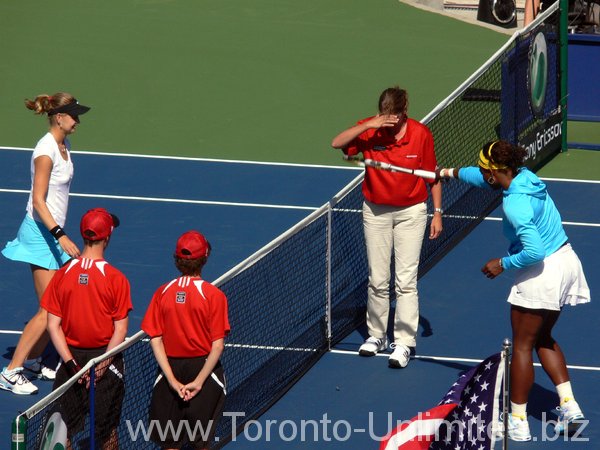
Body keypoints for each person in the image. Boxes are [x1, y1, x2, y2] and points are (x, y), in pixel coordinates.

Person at [437, 140, 590, 441]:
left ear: (495, 173)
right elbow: (477, 177)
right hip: (565, 260)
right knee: (541, 337)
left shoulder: (515, 204)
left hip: (541, 269)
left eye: (485, 171)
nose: (482, 175)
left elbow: (533, 251)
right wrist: (447, 172)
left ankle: (517, 421)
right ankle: (570, 406)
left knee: (521, 344)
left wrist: (502, 264)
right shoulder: (525, 177)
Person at [331, 86, 443, 368]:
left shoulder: (420, 134)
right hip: (376, 212)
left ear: (405, 112)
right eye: (385, 117)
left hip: (411, 213)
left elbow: (433, 176)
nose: (390, 124)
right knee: (378, 279)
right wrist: (371, 124)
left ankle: (404, 342)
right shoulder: (371, 130)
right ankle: (376, 335)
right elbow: (337, 143)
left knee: (405, 281)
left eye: (394, 117)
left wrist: (437, 213)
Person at [1, 92, 90, 395]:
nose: (78, 120)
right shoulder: (45, 150)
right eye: (74, 115)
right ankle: (11, 370)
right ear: (59, 117)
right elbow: (38, 201)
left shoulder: (64, 145)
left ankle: (39, 360)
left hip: (50, 234)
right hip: (42, 235)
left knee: (59, 304)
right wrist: (60, 235)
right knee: (48, 309)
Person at [42, 207, 132, 449]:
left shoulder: (62, 275)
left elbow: (53, 326)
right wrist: (101, 365)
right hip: (107, 361)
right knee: (107, 431)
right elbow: (120, 330)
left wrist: (72, 365)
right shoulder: (116, 278)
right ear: (108, 237)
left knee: (65, 432)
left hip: (71, 361)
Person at [142, 230, 230, 450]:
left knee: (169, 443)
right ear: (205, 258)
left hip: (169, 368)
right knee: (200, 443)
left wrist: (171, 379)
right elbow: (217, 346)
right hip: (204, 370)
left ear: (177, 260)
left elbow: (155, 339)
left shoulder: (162, 292)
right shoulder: (214, 296)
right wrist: (199, 382)